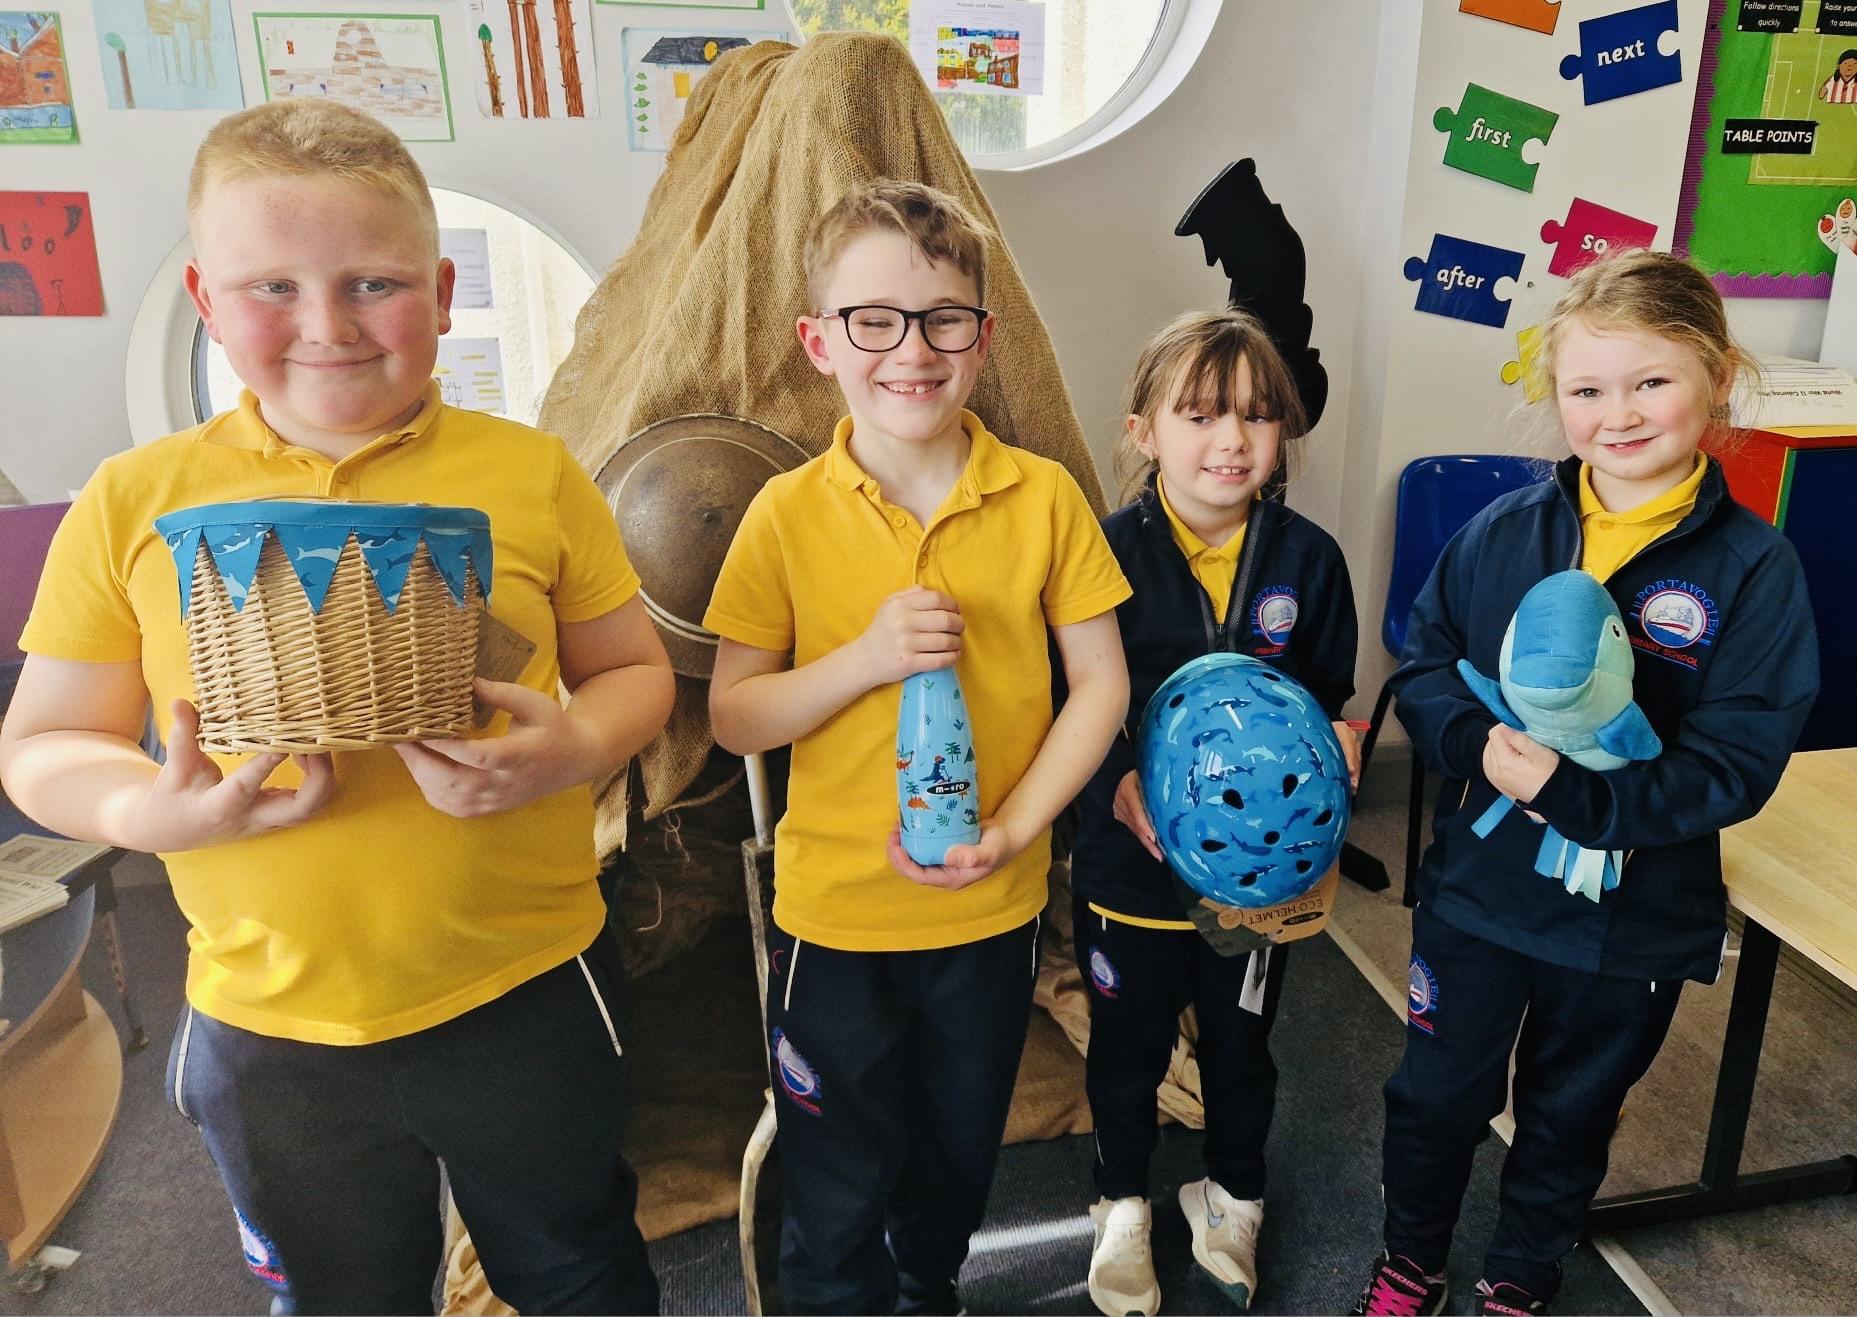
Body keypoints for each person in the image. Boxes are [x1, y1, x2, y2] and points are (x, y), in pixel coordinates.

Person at [0, 99, 674, 1315]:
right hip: (269, 1022)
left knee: (579, 1272)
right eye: (273, 288)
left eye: (375, 283)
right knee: (339, 1297)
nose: (328, 325)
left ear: (443, 291)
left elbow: (638, 673)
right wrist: (148, 814)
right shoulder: (132, 499)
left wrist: (574, 746)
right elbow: (46, 744)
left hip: (523, 989)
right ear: (207, 302)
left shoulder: (534, 473)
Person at [1352, 248, 1820, 1317]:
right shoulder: (1503, 531)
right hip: (1481, 895)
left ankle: (1520, 1272)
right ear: (1556, 396)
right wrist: (1475, 746)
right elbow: (1425, 666)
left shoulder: (1755, 568)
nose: (1619, 414)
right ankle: (1410, 1257)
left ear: (1717, 377)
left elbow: (1738, 758)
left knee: (1571, 1113)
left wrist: (1580, 799)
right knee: (1435, 1095)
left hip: (1632, 923)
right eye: (1587, 389)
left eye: (1651, 381)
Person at [704, 179, 1132, 1315]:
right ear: (820, 342)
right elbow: (735, 716)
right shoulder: (785, 512)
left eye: (943, 318)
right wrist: (862, 659)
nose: (911, 349)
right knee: (834, 1171)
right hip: (835, 916)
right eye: (874, 320)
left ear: (982, 339)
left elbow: (1101, 684)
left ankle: (928, 1285)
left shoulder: (1043, 497)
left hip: (988, 907)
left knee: (955, 1153)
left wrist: (1016, 829)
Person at [1066, 310, 1358, 1317]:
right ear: (1143, 431)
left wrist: (1340, 743)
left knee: (1240, 1048)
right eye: (1199, 415)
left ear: (1283, 432)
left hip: (1263, 881)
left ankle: (1233, 1196)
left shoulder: (1309, 560)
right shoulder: (1098, 555)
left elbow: (1328, 695)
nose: (1231, 440)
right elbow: (1067, 700)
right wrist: (1114, 778)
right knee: (1128, 1049)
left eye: (1257, 416)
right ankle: (1120, 1205)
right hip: (1128, 869)